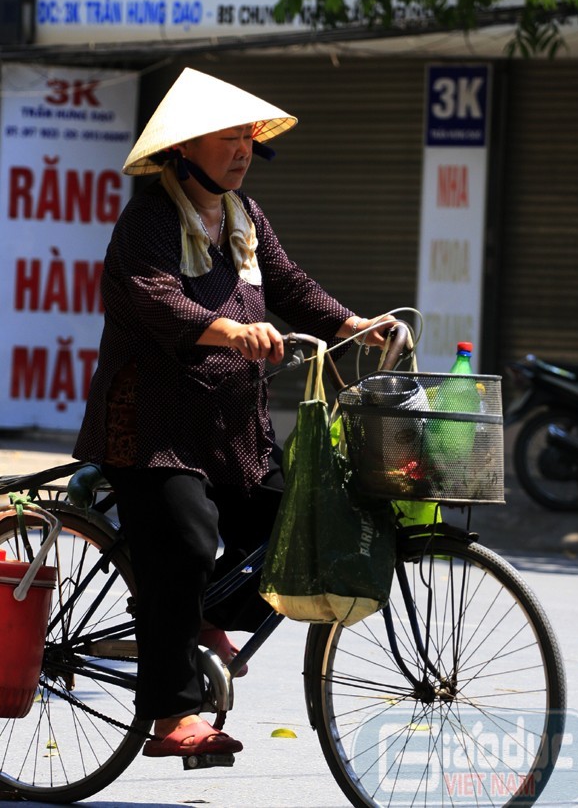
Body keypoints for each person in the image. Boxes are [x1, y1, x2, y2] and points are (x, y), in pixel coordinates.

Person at [74, 67, 395, 760]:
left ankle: (197, 620)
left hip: (231, 429)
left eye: (248, 138)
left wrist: (354, 325)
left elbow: (291, 286)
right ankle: (171, 716)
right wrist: (231, 332)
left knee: (298, 528)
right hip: (151, 429)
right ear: (185, 147)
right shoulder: (149, 220)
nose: (243, 149)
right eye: (228, 138)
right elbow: (154, 297)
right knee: (186, 548)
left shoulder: (245, 218)